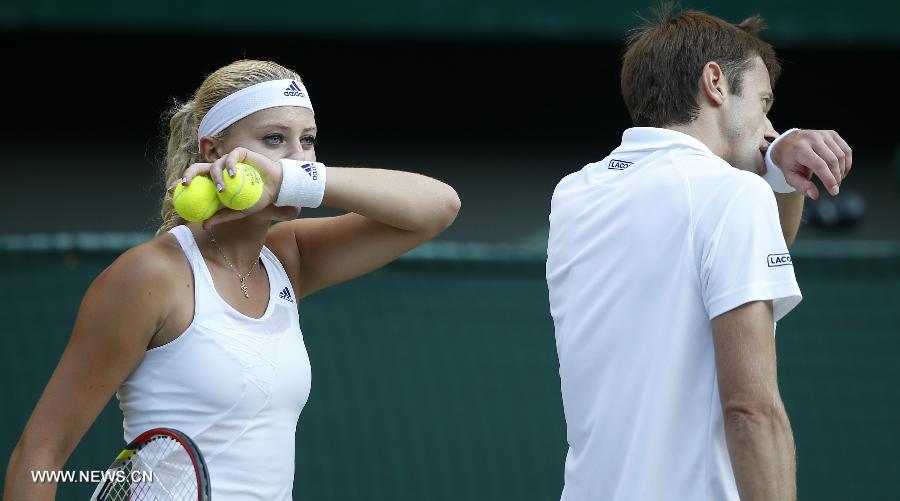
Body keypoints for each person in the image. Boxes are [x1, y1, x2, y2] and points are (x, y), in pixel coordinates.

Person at [4, 59, 460, 500]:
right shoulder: (150, 275)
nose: (298, 156)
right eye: (274, 139)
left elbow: (439, 208)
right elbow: (40, 454)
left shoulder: (287, 257)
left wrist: (285, 176)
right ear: (213, 152)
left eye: (308, 140)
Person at [546, 8, 851, 501]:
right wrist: (763, 174)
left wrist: (773, 172)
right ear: (715, 82)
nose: (769, 127)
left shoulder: (574, 195)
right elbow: (751, 411)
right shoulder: (730, 196)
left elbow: (751, 249)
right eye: (762, 100)